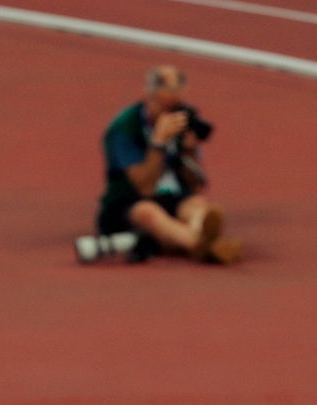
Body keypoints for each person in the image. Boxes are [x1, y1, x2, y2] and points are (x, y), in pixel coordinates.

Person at [97, 64, 242, 263]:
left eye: (175, 106)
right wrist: (158, 142)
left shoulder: (183, 121)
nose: (171, 115)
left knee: (199, 206)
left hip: (173, 197)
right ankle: (202, 245)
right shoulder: (124, 127)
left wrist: (189, 151)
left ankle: (197, 241)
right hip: (128, 202)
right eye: (164, 106)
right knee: (148, 213)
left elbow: (194, 186)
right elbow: (144, 188)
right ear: (150, 94)